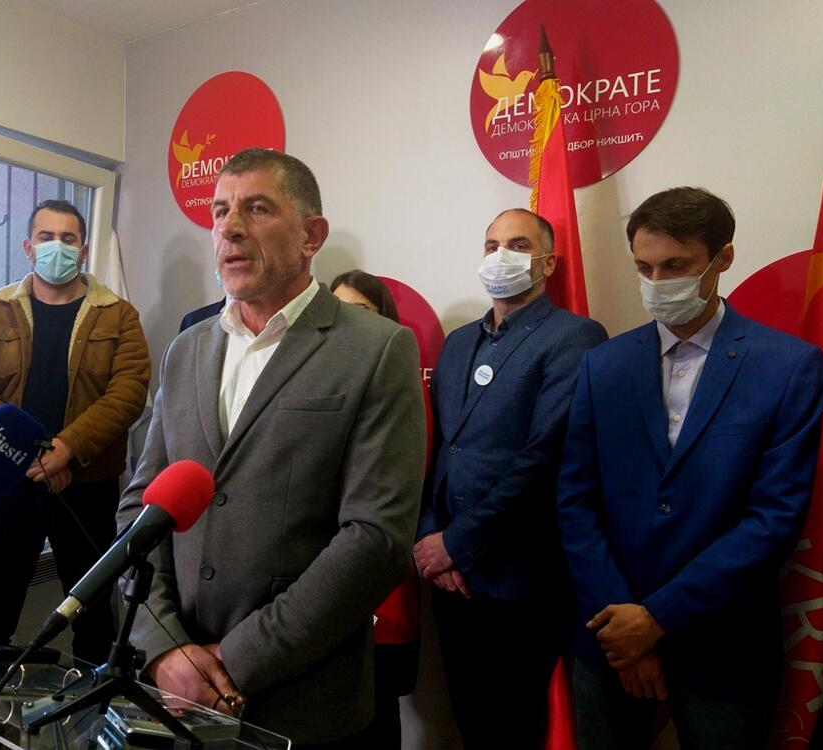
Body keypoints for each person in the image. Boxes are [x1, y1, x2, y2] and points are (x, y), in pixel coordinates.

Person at [116, 148, 427, 747]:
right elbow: (141, 509)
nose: (229, 228)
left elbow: (375, 539)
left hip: (301, 704)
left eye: (257, 209)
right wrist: (163, 647)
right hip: (176, 693)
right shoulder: (186, 349)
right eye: (220, 211)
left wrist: (234, 661)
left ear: (312, 236)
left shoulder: (378, 349)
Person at [557, 187, 823, 749]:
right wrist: (624, 627)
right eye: (644, 268)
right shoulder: (603, 365)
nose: (657, 282)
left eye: (675, 266)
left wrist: (657, 618)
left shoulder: (789, 367)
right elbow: (576, 500)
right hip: (609, 636)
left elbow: (772, 519)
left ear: (722, 258)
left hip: (722, 647)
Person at [414, 209, 607, 748]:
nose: (501, 255)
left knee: (512, 730)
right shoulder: (458, 343)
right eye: (491, 244)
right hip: (449, 579)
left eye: (518, 245)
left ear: (548, 262)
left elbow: (544, 458)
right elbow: (435, 449)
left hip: (519, 580)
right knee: (469, 724)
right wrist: (429, 536)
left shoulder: (575, 337)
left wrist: (456, 543)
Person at [0, 199, 151, 667]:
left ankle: (88, 708)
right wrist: (31, 455)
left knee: (93, 616)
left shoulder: (118, 315)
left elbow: (128, 392)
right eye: (46, 237)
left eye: (67, 239)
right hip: (8, 482)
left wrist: (68, 449)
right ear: (29, 247)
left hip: (87, 486)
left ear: (83, 250)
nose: (56, 247)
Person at [330, 270, 421, 750]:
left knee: (378, 713)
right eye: (337, 310)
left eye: (361, 311)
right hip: (313, 587)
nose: (347, 322)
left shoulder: (401, 387)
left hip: (378, 579)